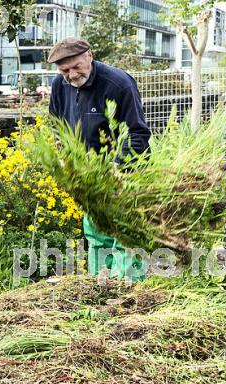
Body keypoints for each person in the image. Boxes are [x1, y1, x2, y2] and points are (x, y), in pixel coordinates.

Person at [47, 37, 151, 280]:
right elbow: (56, 125)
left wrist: (119, 167)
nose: (71, 75)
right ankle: (99, 285)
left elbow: (138, 133)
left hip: (124, 172)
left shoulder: (118, 83)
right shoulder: (59, 85)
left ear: (89, 56)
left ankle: (130, 291)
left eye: (76, 67)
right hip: (88, 174)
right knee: (95, 233)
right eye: (64, 70)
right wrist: (63, 155)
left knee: (124, 233)